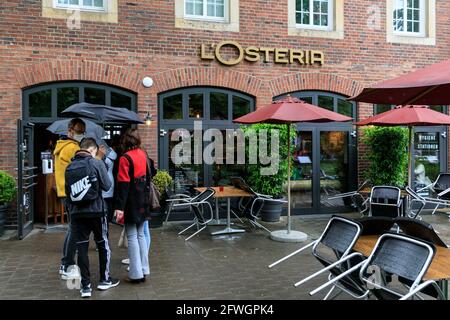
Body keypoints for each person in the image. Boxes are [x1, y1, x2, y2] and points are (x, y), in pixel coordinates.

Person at [65, 137, 119, 298]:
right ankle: (104, 279)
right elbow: (107, 186)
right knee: (103, 244)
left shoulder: (69, 167)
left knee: (81, 247)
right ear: (93, 150)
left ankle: (85, 286)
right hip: (97, 211)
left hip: (77, 214)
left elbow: (68, 193)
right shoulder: (97, 163)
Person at [114, 129, 151, 283]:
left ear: (125, 141)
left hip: (131, 202)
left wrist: (119, 208)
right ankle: (144, 269)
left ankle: (136, 274)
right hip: (143, 200)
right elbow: (149, 177)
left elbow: (123, 185)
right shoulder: (143, 154)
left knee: (132, 236)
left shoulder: (125, 158)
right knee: (141, 235)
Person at [53, 118, 86, 279]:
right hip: (72, 193)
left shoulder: (61, 146)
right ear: (71, 131)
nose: (81, 134)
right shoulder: (72, 148)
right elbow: (82, 169)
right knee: (75, 230)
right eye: (80, 131)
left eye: (82, 132)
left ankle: (65, 263)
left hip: (64, 193)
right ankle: (67, 265)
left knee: (72, 228)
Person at [96, 139, 117, 224]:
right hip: (110, 177)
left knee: (105, 200)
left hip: (105, 178)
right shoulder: (113, 155)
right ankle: (110, 217)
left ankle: (107, 218)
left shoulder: (106, 157)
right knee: (109, 200)